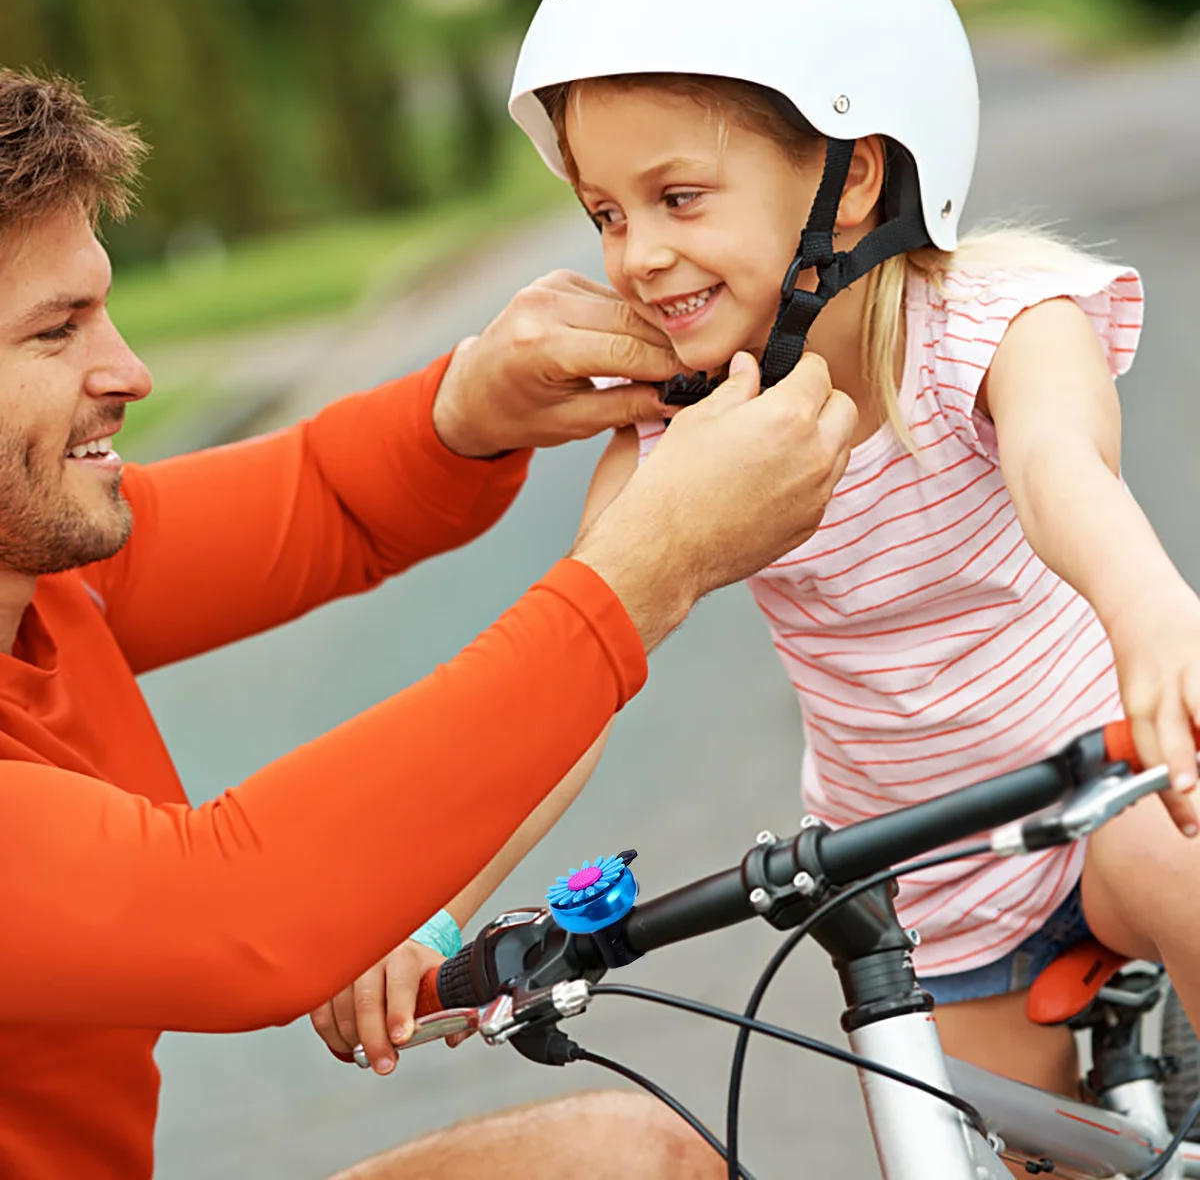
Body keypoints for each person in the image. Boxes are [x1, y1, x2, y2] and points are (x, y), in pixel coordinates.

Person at [331, 0, 1200, 1119]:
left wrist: (1154, 615)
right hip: (920, 885)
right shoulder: (674, 434)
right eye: (606, 213)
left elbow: (1060, 475)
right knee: (977, 1141)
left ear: (856, 181)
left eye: (678, 195)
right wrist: (432, 915)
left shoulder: (998, 324)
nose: (638, 254)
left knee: (1171, 853)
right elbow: (571, 682)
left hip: (1112, 790)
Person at [0, 68, 857, 1179]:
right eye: (58, 332)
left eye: (105, 310)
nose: (131, 371)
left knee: (626, 1162)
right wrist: (652, 568)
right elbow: (233, 908)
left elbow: (324, 499)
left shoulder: (46, 573)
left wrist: (473, 409)